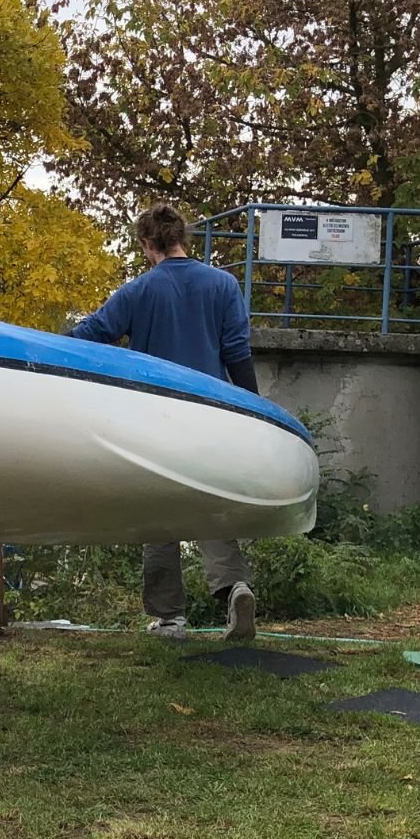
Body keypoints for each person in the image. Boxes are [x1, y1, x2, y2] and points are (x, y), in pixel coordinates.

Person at [69, 203, 261, 642]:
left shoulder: (139, 291)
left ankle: (170, 618)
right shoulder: (224, 285)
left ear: (147, 243)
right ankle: (235, 586)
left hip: (154, 416)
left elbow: (91, 334)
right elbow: (237, 352)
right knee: (211, 505)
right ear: (182, 238)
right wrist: (253, 408)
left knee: (158, 512)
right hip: (209, 413)